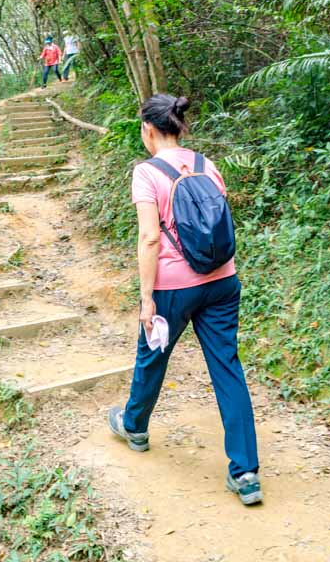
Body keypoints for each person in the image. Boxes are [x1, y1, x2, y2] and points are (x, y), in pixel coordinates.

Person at [108, 94, 262, 506]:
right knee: (228, 368)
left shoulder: (146, 173)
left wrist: (146, 298)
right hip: (222, 281)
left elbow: (149, 237)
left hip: (174, 286)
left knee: (152, 355)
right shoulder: (205, 165)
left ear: (149, 130)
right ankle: (246, 473)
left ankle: (135, 426)